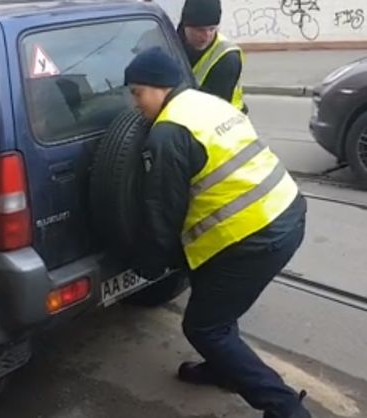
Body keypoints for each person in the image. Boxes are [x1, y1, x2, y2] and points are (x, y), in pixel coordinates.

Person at [123, 47, 310, 418]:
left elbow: (163, 212)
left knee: (205, 328)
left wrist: (149, 265)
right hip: (287, 211)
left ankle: (286, 408)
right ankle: (225, 368)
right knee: (216, 302)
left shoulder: (168, 133)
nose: (135, 103)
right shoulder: (205, 104)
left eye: (137, 92)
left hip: (254, 236)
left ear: (159, 87)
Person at [178, 0, 247, 113]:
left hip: (227, 117)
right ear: (185, 26)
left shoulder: (228, 57)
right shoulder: (169, 42)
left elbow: (213, 109)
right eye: (200, 30)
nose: (206, 36)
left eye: (212, 29)